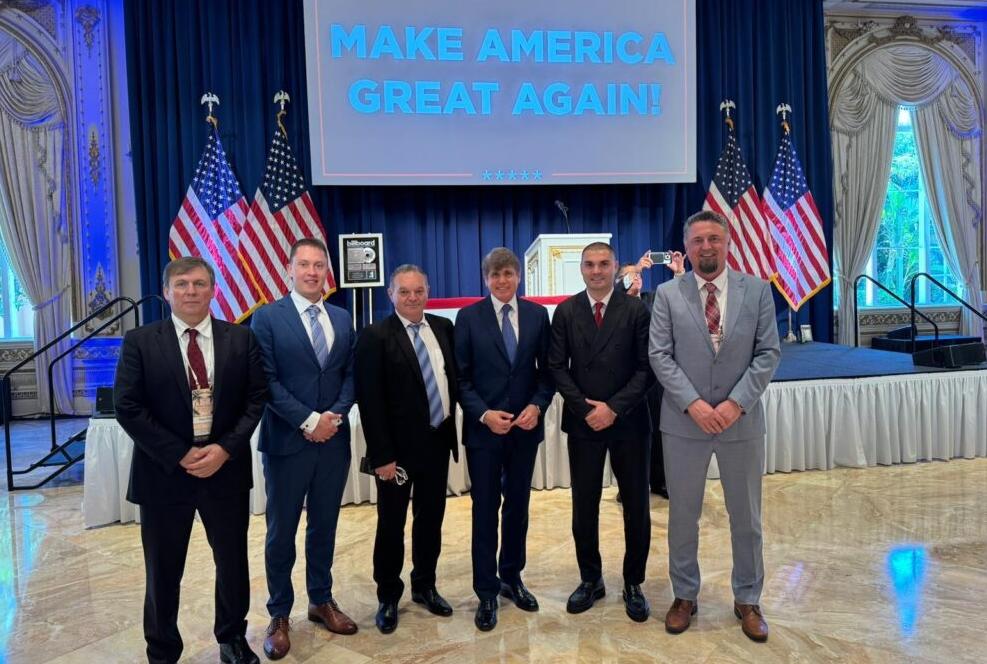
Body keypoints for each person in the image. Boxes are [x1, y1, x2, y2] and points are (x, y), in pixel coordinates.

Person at [114, 257, 267, 664]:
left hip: (224, 470)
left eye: (199, 283)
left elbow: (256, 399)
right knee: (163, 570)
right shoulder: (140, 341)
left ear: (213, 290)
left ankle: (232, 638)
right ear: (166, 292)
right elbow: (127, 406)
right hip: (164, 473)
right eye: (181, 284)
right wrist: (179, 453)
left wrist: (225, 449)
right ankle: (162, 650)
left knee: (232, 563)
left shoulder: (241, 339)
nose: (191, 291)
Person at [649, 210, 781, 642]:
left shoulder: (757, 291)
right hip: (684, 423)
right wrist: (695, 405)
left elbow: (768, 353)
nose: (706, 246)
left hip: (740, 423)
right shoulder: (667, 294)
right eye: (698, 240)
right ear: (686, 248)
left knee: (747, 517)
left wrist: (735, 404)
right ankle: (684, 596)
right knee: (682, 516)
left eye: (714, 238)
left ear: (727, 242)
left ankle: (748, 599)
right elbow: (660, 355)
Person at [250, 238, 358, 660]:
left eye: (319, 265)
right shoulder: (267, 318)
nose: (312, 272)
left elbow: (351, 375)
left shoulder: (342, 318)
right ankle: (279, 613)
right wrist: (309, 421)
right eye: (304, 265)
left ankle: (321, 600)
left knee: (324, 526)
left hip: (333, 442)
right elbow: (266, 380)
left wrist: (333, 416)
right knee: (281, 532)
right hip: (287, 442)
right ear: (289, 270)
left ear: (327, 272)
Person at [547, 242, 655, 623]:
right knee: (584, 505)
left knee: (637, 507)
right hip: (584, 423)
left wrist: (613, 408)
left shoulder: (636, 310)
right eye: (590, 265)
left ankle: (633, 582)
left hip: (629, 421)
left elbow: (647, 367)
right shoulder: (566, 311)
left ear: (616, 267)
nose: (597, 271)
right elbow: (556, 367)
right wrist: (587, 409)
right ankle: (590, 579)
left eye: (604, 264)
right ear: (581, 269)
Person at [354, 264, 459, 634]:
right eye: (404, 291)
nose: (412, 298)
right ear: (391, 294)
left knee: (431, 520)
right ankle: (388, 595)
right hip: (395, 455)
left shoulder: (444, 328)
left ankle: (425, 585)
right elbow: (370, 401)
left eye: (418, 291)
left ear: (427, 291)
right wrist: (382, 456)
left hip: (437, 444)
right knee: (391, 524)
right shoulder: (375, 336)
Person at [454, 247, 555, 631]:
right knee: (484, 510)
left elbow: (547, 373)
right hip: (485, 433)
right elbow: (461, 378)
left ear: (518, 276)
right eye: (495, 275)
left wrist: (537, 406)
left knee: (518, 507)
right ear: (486, 279)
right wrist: (484, 414)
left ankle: (511, 577)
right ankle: (486, 590)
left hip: (524, 431)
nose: (502, 280)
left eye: (508, 273)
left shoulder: (537, 315)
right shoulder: (468, 318)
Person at [616, 250, 685, 500]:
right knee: (629, 437)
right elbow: (616, 289)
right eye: (629, 275)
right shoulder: (614, 303)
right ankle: (629, 487)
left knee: (658, 429)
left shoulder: (653, 299)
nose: (635, 278)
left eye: (637, 275)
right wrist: (636, 268)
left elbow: (680, 300)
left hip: (654, 378)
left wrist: (679, 274)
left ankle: (660, 481)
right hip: (624, 379)